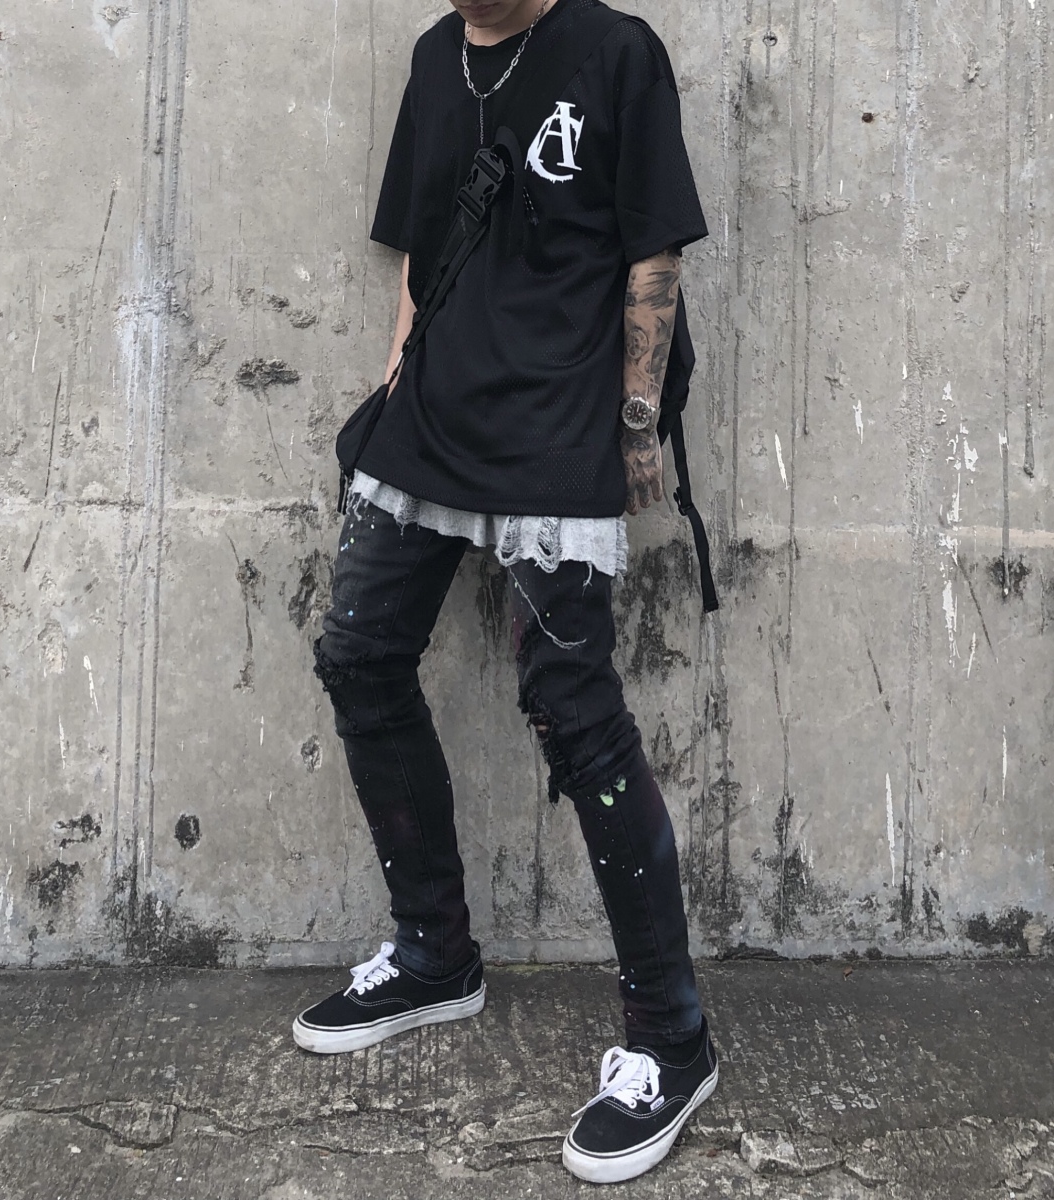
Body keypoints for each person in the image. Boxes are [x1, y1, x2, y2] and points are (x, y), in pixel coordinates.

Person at [293, 0, 717, 1183]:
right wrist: (391, 388)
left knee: (573, 710)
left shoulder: (617, 52)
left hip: (558, 425)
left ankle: (672, 1037)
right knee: (359, 654)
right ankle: (436, 955)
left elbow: (654, 256)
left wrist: (636, 427)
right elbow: (422, 251)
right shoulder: (437, 58)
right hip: (430, 415)